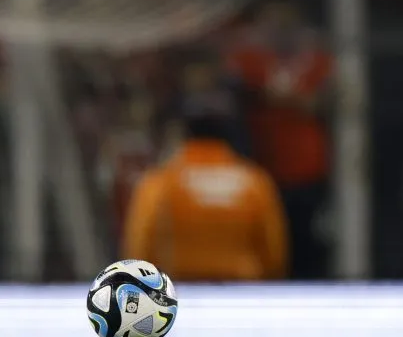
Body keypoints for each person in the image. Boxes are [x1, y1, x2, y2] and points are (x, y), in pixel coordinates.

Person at [122, 101, 290, 282]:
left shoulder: (161, 182)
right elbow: (274, 250)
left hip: (180, 288)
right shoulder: (254, 182)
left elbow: (140, 243)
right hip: (241, 292)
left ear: (183, 135)